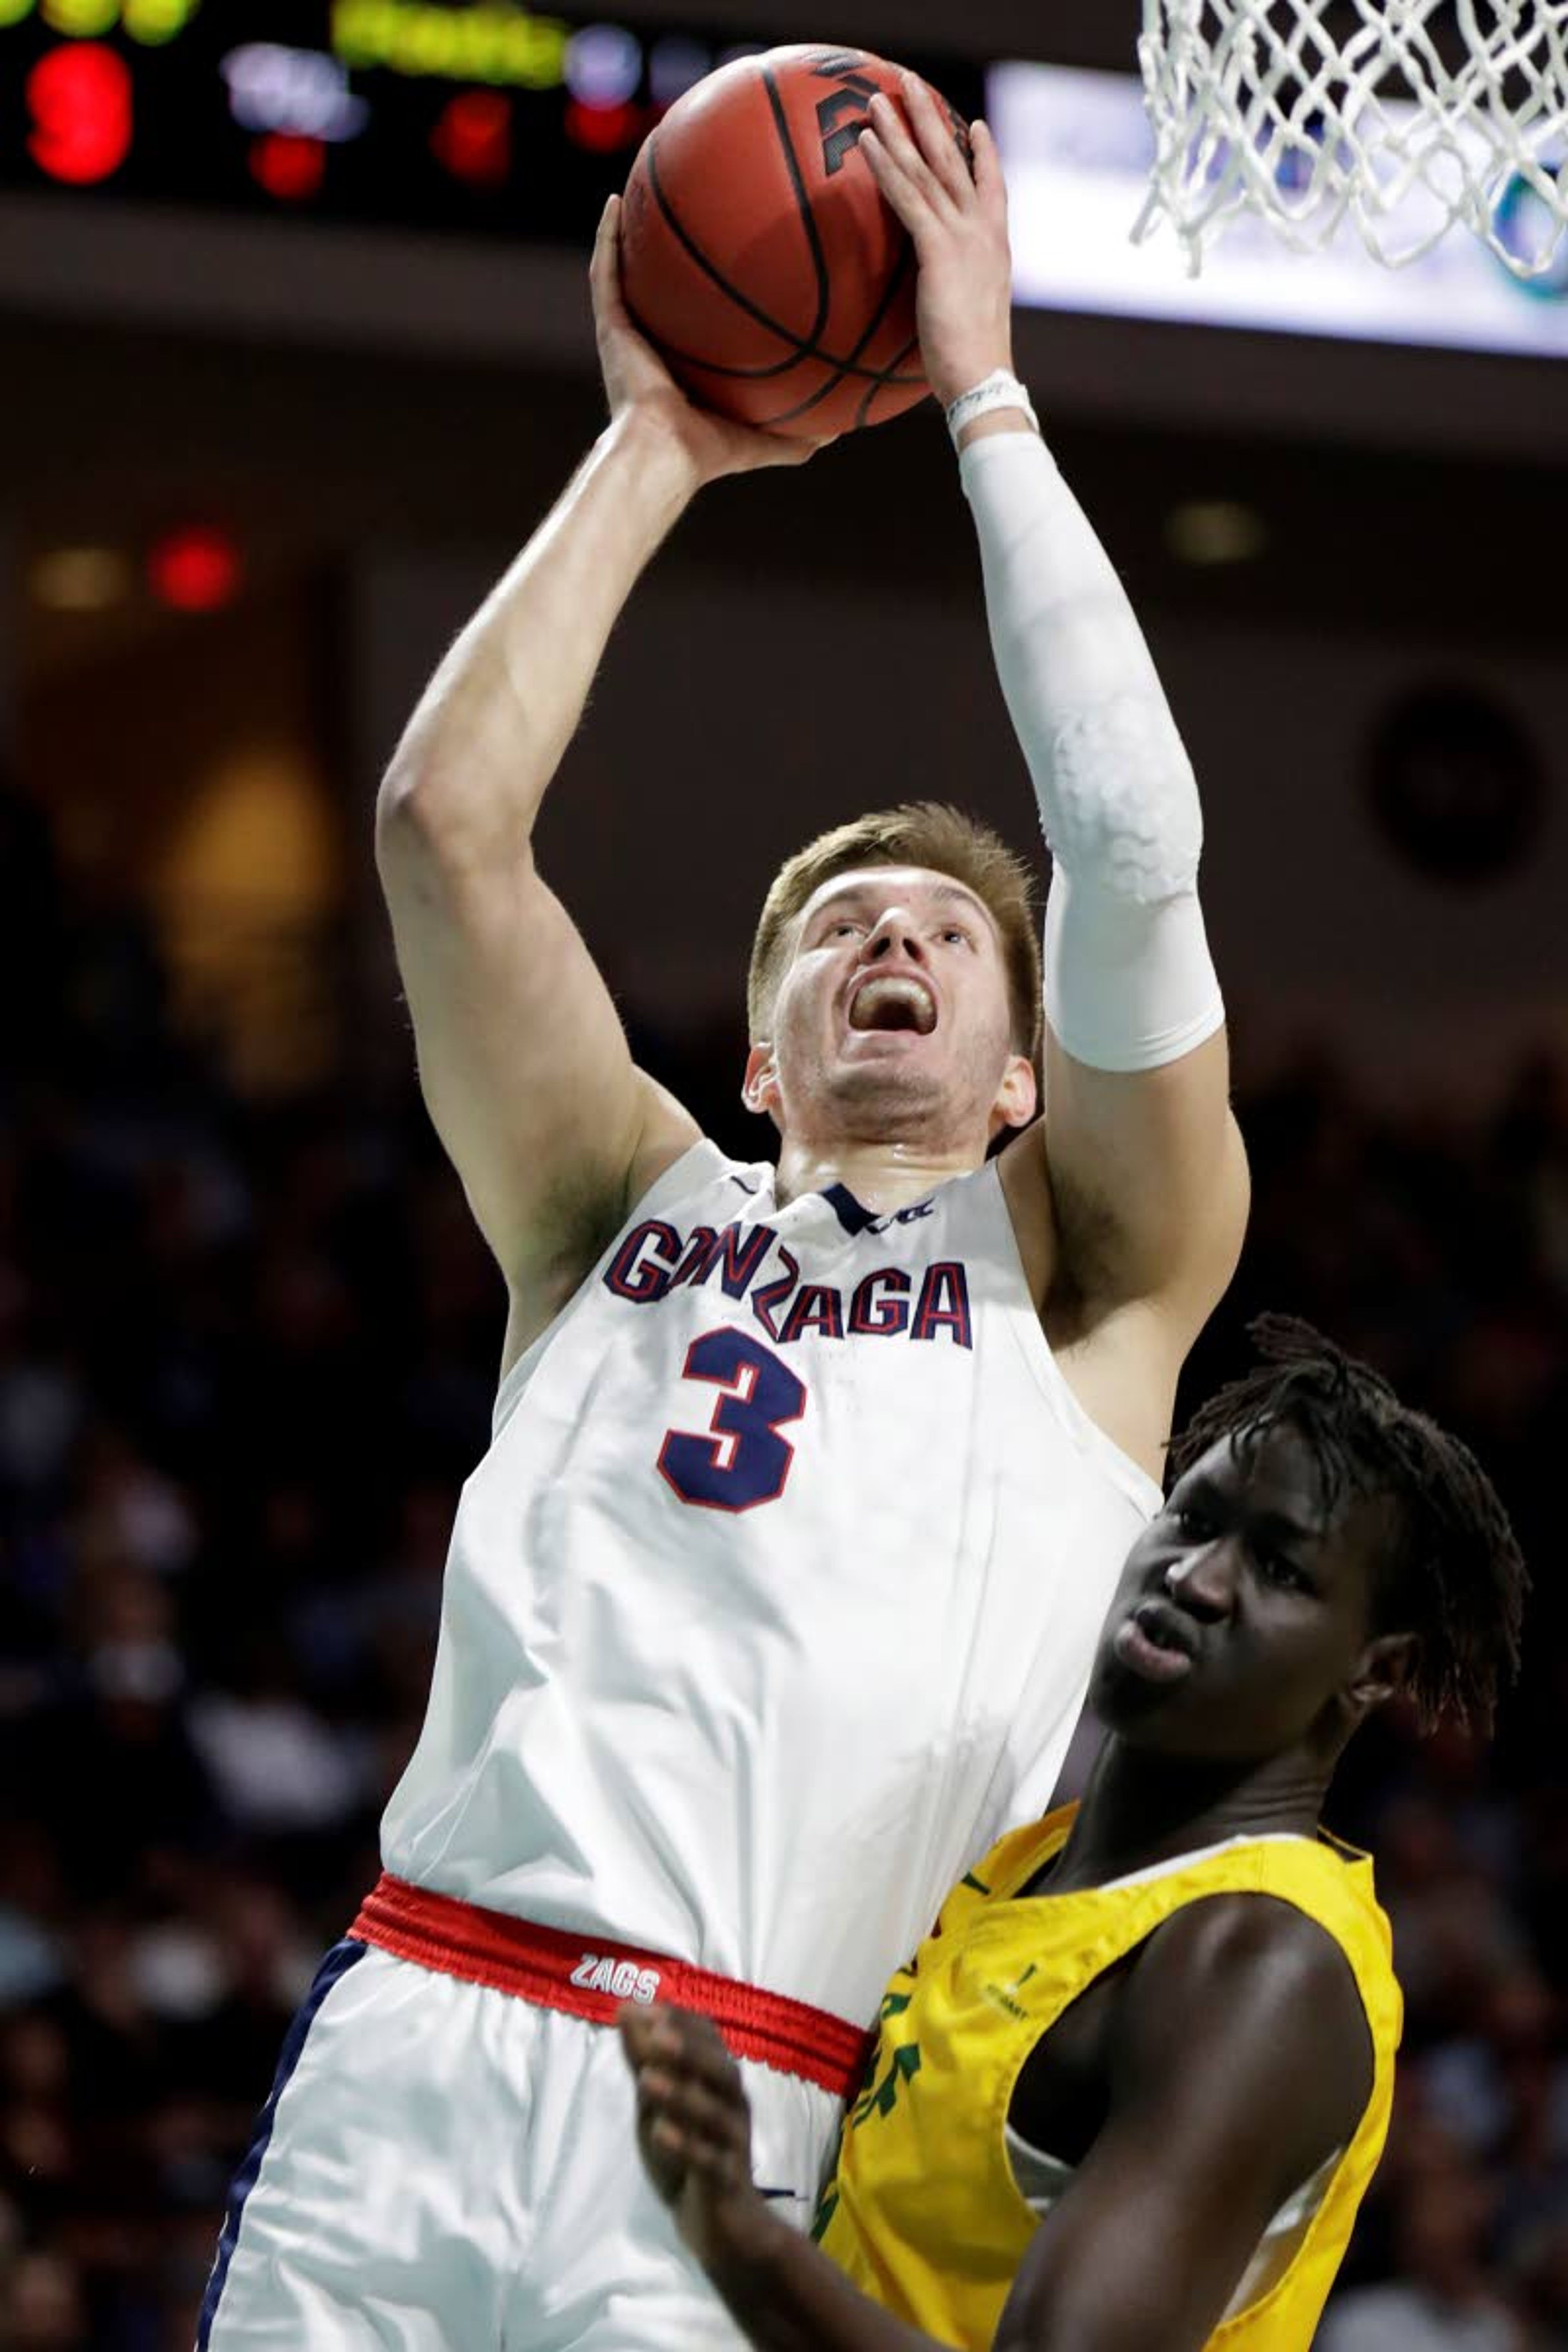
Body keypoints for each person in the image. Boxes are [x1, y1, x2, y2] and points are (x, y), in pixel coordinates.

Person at [198, 71, 1247, 2352]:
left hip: (749, 2109)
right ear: (757, 1054)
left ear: (1018, 1082)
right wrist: (658, 443)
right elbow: (441, 827)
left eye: (952, 938)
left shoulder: (1089, 1294)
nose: (896, 936)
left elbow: (1139, 854)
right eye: (839, 925)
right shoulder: (612, 1203)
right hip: (415, 2029)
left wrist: (980, 392)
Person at [623, 1317, 1528, 2352]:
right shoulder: (1038, 1856)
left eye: (1279, 1569)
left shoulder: (1259, 1962)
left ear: (1375, 1670)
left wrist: (743, 2241)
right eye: (1194, 1519)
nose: (1197, 1578)